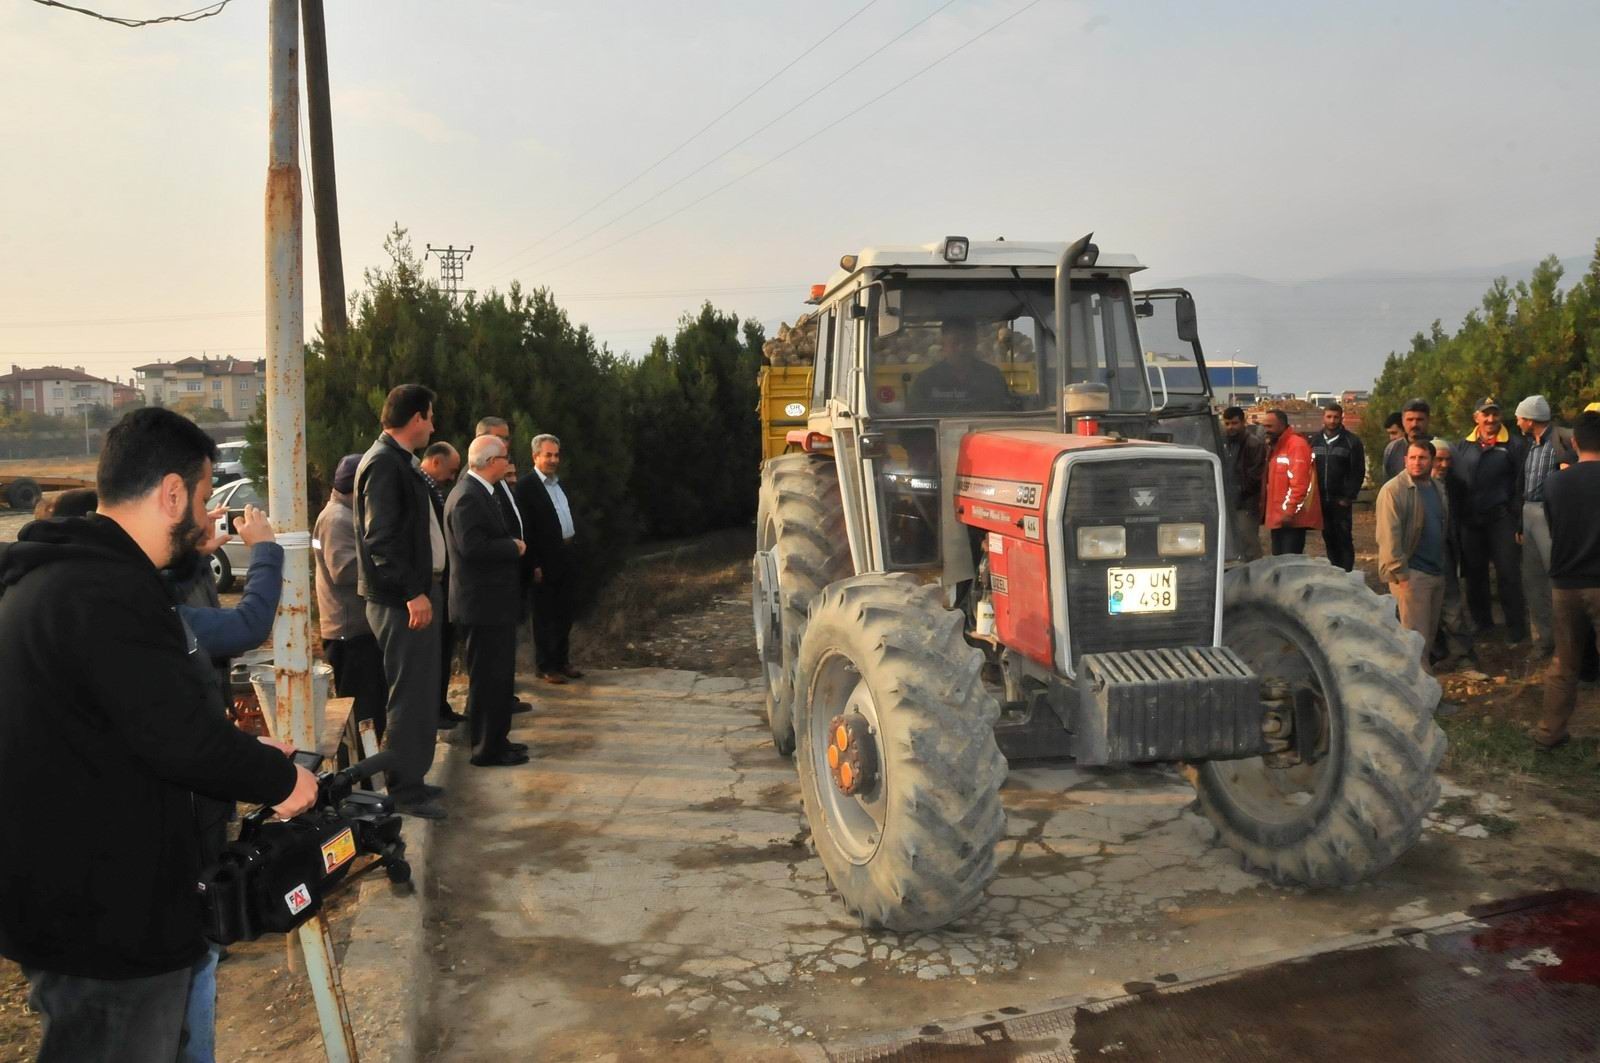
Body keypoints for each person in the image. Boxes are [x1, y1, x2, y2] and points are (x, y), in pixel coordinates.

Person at [0, 407, 316, 1061]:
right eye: (203, 497)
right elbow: (179, 739)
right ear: (172, 493)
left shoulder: (61, 580)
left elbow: (132, 722)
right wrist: (282, 780)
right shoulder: (108, 593)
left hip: (70, 901)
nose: (207, 516)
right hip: (107, 924)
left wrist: (244, 752)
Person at [355, 384, 448, 820]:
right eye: (429, 417)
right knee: (408, 696)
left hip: (414, 597)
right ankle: (405, 791)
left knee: (420, 690)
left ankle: (414, 777)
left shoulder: (397, 462)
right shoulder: (383, 465)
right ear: (415, 418)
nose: (433, 425)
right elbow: (382, 540)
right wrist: (412, 593)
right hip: (400, 602)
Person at [446, 435, 532, 767]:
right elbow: (473, 548)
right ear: (489, 462)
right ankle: (486, 748)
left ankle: (497, 739)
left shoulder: (483, 492)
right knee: (487, 679)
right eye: (504, 458)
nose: (508, 464)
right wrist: (513, 547)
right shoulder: (468, 496)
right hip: (481, 606)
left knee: (498, 678)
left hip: (492, 604)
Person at [1533, 411, 1600, 751]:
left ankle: (1549, 733)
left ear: (1574, 443)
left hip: (1565, 583)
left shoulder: (1555, 483)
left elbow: (1554, 526)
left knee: (1564, 663)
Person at [315, 454, 389, 743]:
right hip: (349, 632)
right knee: (363, 713)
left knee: (372, 710)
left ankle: (367, 776)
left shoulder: (348, 514)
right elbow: (344, 571)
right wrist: (385, 565)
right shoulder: (336, 518)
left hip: (360, 629)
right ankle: (361, 781)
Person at [1452, 396, 1528, 642]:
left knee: (1508, 574)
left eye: (1495, 414)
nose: (1491, 419)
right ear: (1476, 418)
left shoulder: (1514, 445)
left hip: (1502, 518)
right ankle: (1482, 623)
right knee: (1474, 575)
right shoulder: (1463, 446)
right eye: (1485, 414)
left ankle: (1516, 628)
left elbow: (1521, 484)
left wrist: (1517, 517)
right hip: (1471, 521)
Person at [515, 433, 584, 684]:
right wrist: (532, 563)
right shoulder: (526, 487)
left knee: (565, 611)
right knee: (544, 614)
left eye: (556, 455)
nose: (553, 460)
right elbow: (526, 528)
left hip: (566, 555)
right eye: (548, 455)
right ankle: (546, 665)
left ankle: (562, 660)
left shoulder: (559, 484)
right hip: (543, 560)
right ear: (535, 456)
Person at [1377, 439, 1450, 673]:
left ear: (1432, 461)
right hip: (1411, 574)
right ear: (1405, 460)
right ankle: (1421, 700)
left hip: (1435, 570)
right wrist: (1401, 574)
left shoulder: (1437, 487)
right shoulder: (1393, 490)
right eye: (1413, 458)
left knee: (1426, 637)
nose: (1417, 463)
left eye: (1423, 458)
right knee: (1415, 643)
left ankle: (1422, 692)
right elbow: (1389, 536)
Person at [1514, 395, 1578, 658]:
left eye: (1519, 417)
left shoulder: (1560, 441)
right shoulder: (1531, 446)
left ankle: (1568, 644)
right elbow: (1524, 487)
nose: (1517, 422)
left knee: (1558, 579)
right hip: (1529, 513)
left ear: (1530, 420)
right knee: (1533, 579)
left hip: (1550, 515)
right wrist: (1520, 521)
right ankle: (1542, 641)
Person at [476, 416, 532, 715]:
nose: (508, 447)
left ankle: (503, 701)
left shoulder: (497, 484)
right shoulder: (474, 489)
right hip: (488, 589)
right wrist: (510, 546)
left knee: (503, 655)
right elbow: (475, 544)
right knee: (489, 662)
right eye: (502, 440)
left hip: (508, 576)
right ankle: (492, 720)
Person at [419, 441, 465, 728]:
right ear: (435, 462)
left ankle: (441, 705)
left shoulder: (433, 488)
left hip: (441, 583)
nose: (451, 477)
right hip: (428, 585)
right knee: (431, 657)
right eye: (450, 471)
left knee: (443, 653)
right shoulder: (420, 487)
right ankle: (432, 710)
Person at [1429, 440, 1476, 669]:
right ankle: (1434, 653)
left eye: (1448, 459)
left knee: (1452, 607)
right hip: (1419, 557)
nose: (1444, 464)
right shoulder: (1412, 485)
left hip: (1447, 552)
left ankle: (1462, 655)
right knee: (1424, 610)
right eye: (1439, 459)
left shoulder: (1456, 486)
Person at [908, 318, 1012, 413]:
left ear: (975, 343)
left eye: (967, 341)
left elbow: (1006, 413)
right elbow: (914, 421)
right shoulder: (926, 381)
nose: (962, 348)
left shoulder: (992, 377)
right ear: (943, 344)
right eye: (955, 342)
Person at [1311, 402, 1365, 571]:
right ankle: (1335, 571)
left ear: (1342, 418)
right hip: (1321, 500)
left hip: (1340, 501)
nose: (1332, 421)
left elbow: (1358, 471)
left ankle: (1347, 573)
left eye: (1336, 417)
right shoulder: (1314, 441)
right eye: (1329, 417)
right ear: (1323, 418)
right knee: (1328, 537)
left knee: (1344, 539)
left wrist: (1348, 496)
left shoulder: (1351, 442)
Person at [1261, 410, 1322, 555]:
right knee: (1279, 561)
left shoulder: (1296, 446)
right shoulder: (1276, 447)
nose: (1266, 431)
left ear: (1282, 426)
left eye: (1270, 427)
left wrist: (1289, 511)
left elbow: (1300, 484)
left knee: (1289, 562)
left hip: (1291, 519)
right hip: (1279, 518)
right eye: (1265, 427)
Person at [1220, 406, 1266, 562]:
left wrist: (1237, 492)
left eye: (1234, 423)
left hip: (1246, 504)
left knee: (1248, 544)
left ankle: (1254, 577)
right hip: (1228, 500)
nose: (1230, 427)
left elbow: (1255, 476)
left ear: (1243, 422)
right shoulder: (1222, 442)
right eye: (1227, 424)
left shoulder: (1253, 444)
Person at [1384, 398, 1432, 480]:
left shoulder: (1439, 448)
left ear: (1428, 420)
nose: (1414, 424)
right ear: (1403, 421)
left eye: (1419, 420)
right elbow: (1387, 481)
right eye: (1410, 419)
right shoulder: (1392, 449)